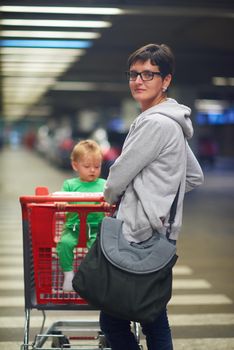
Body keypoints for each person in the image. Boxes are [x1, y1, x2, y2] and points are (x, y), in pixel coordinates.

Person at [99, 43, 204, 349]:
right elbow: (194, 175)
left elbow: (119, 174)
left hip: (139, 234)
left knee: (117, 321)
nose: (139, 80)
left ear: (166, 80)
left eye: (148, 74)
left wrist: (115, 195)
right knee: (151, 315)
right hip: (160, 234)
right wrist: (160, 197)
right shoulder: (172, 123)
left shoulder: (154, 122)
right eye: (133, 74)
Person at [56, 139, 106, 292]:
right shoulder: (69, 185)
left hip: (96, 228)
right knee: (64, 244)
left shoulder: (105, 184)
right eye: (87, 166)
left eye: (97, 167)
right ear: (75, 165)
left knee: (97, 250)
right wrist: (62, 204)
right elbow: (62, 198)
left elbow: (112, 199)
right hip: (73, 227)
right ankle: (69, 274)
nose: (92, 170)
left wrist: (108, 204)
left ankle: (90, 277)